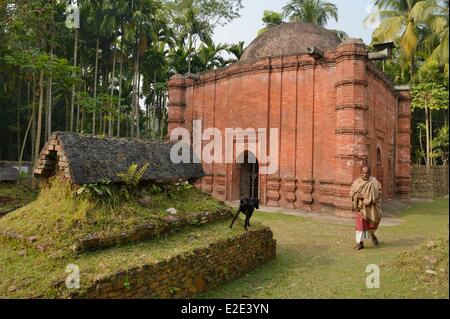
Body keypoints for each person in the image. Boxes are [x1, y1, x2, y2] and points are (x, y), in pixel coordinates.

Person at [350, 165, 382, 250]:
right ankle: (359, 243)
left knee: (370, 225)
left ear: (369, 173)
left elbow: (379, 193)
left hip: (371, 208)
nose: (365, 174)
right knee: (359, 226)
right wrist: (357, 196)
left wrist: (370, 197)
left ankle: (372, 236)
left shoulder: (374, 182)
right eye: (363, 172)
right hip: (361, 208)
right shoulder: (357, 182)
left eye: (367, 172)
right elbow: (352, 193)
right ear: (361, 173)